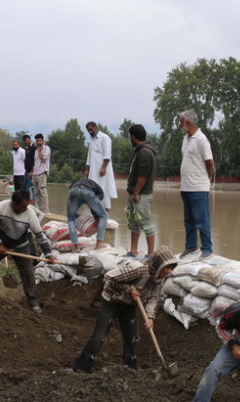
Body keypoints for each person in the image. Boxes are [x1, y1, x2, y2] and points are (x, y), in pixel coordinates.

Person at [71, 245, 177, 373]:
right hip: (111, 302)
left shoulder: (159, 280)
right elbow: (109, 277)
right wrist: (130, 289)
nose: (169, 271)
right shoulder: (138, 269)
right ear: (159, 264)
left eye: (171, 268)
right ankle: (80, 369)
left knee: (133, 339)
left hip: (129, 306)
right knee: (98, 338)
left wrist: (150, 317)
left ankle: (130, 371)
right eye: (167, 267)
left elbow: (153, 299)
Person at [0, 189, 56, 312]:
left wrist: (48, 253)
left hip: (21, 245)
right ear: (14, 204)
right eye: (23, 206)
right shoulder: (0, 208)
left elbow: (40, 236)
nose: (26, 208)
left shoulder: (30, 214)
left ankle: (33, 301)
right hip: (0, 244)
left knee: (28, 273)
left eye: (27, 205)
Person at [178, 110, 216, 260]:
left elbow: (210, 162)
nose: (180, 125)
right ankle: (191, 246)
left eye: (181, 122)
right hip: (186, 186)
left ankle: (207, 248)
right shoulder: (186, 139)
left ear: (188, 123)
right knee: (188, 220)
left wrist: (209, 176)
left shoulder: (201, 139)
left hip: (198, 187)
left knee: (201, 219)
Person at [124, 123, 157, 259]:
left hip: (141, 194)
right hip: (134, 193)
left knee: (145, 222)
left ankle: (150, 254)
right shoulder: (140, 150)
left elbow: (143, 175)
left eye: (130, 137)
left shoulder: (144, 152)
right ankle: (133, 251)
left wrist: (136, 192)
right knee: (133, 221)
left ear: (133, 137)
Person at [84, 122, 117, 218]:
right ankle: (95, 217)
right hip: (93, 174)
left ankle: (105, 217)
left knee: (104, 196)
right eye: (88, 130)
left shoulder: (104, 138)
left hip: (103, 173)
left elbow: (107, 155)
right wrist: (87, 170)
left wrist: (103, 168)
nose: (90, 132)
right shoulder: (92, 141)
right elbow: (89, 158)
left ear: (96, 127)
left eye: (91, 129)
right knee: (92, 195)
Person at [66, 177, 109, 252]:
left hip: (73, 191)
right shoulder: (93, 183)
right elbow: (101, 194)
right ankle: (98, 245)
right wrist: (93, 207)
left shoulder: (76, 182)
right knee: (103, 215)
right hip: (87, 192)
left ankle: (76, 247)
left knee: (70, 219)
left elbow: (71, 191)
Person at [32, 133, 51, 214]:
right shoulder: (36, 150)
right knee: (37, 193)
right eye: (37, 141)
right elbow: (35, 162)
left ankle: (46, 210)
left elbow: (43, 160)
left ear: (43, 141)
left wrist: (40, 151)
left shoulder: (47, 148)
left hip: (42, 173)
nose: (38, 142)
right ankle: (41, 210)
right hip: (35, 174)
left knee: (43, 192)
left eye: (40, 141)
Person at [23, 134, 37, 205]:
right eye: (25, 141)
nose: (26, 142)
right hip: (26, 171)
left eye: (27, 140)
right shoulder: (27, 149)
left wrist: (32, 171)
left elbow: (36, 161)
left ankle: (32, 208)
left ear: (30, 140)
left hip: (32, 171)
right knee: (26, 189)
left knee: (31, 189)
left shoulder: (34, 148)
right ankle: (28, 206)